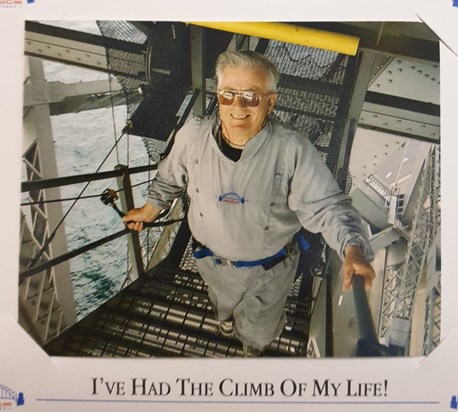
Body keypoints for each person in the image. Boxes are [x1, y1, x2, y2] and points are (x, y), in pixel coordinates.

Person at [123, 50, 375, 356]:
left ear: (271, 102)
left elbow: (327, 206)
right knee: (222, 305)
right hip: (210, 261)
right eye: (228, 94)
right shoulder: (191, 136)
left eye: (251, 97)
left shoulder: (291, 149)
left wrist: (352, 247)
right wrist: (150, 209)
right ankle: (228, 321)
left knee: (259, 326)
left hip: (268, 271)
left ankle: (252, 346)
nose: (237, 106)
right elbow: (170, 178)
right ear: (218, 94)